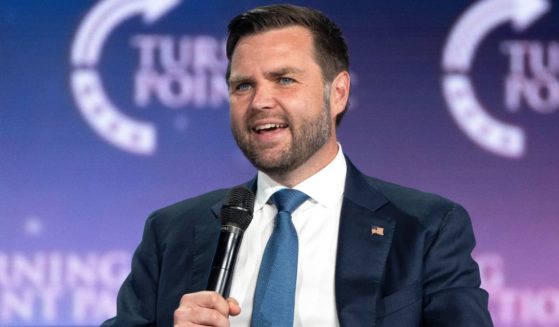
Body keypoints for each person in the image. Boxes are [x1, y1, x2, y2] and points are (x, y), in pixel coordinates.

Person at [103, 4, 493, 327]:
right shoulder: (173, 231)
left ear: (337, 92)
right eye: (243, 85)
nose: (260, 102)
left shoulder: (426, 227)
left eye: (284, 80)